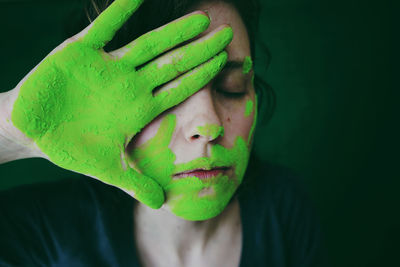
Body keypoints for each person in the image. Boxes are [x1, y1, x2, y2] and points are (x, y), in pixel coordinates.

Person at [0, 0, 328, 266]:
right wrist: (9, 133)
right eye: (163, 91)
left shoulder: (284, 207)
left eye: (231, 87)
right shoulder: (46, 230)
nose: (208, 124)